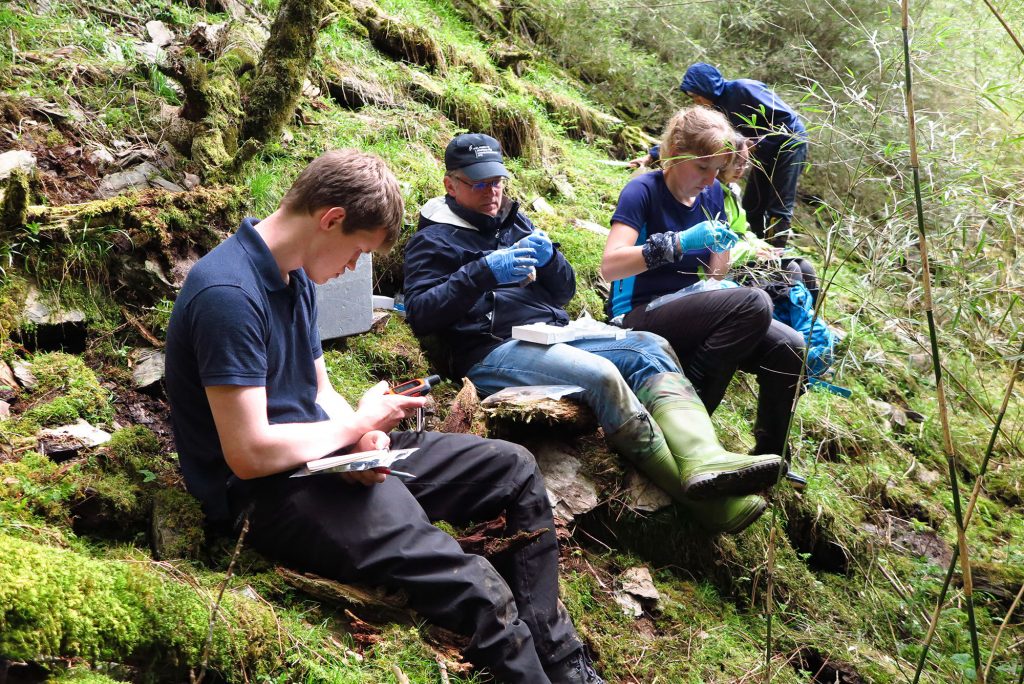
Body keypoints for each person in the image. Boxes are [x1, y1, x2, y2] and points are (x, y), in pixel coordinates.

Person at [164, 149, 600, 684]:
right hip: (271, 491)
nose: (352, 268)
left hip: (325, 456)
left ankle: (560, 660)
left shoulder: (293, 272)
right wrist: (353, 429)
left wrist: (364, 437)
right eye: (356, 252)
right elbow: (249, 452)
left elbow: (318, 388)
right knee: (480, 588)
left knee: (512, 469)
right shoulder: (228, 294)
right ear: (331, 220)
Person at [403, 133, 784, 537]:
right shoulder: (432, 239)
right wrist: (483, 272)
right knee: (600, 376)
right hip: (490, 350)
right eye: (478, 183)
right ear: (450, 185)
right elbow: (422, 313)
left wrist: (551, 260)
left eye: (497, 181)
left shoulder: (514, 222)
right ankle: (706, 502)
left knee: (650, 348)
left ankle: (703, 457)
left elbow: (564, 291)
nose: (491, 192)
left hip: (552, 332)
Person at [602, 106, 806, 460]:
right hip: (636, 315)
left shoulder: (712, 196)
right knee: (754, 303)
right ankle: (690, 430)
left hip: (688, 307)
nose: (711, 180)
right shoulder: (643, 191)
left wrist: (721, 269)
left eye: (717, 170)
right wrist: (676, 243)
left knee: (789, 345)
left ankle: (771, 457)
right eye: (702, 167)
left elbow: (716, 271)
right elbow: (610, 266)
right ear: (674, 153)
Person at [632, 63, 808, 247]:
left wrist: (757, 142)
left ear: (707, 86)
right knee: (753, 204)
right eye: (693, 98)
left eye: (697, 95)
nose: (697, 101)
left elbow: (787, 120)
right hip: (762, 154)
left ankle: (776, 252)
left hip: (789, 146)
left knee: (779, 203)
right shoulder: (716, 112)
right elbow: (689, 139)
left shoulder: (743, 89)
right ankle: (754, 249)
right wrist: (651, 156)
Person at [720, 134, 818, 303]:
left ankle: (808, 322)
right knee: (790, 269)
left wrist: (765, 247)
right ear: (722, 161)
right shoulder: (711, 192)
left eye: (745, 164)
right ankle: (791, 320)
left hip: (741, 257)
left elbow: (743, 233)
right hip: (726, 267)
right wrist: (753, 253)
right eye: (736, 163)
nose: (740, 169)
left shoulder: (732, 191)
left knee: (805, 268)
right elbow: (714, 247)